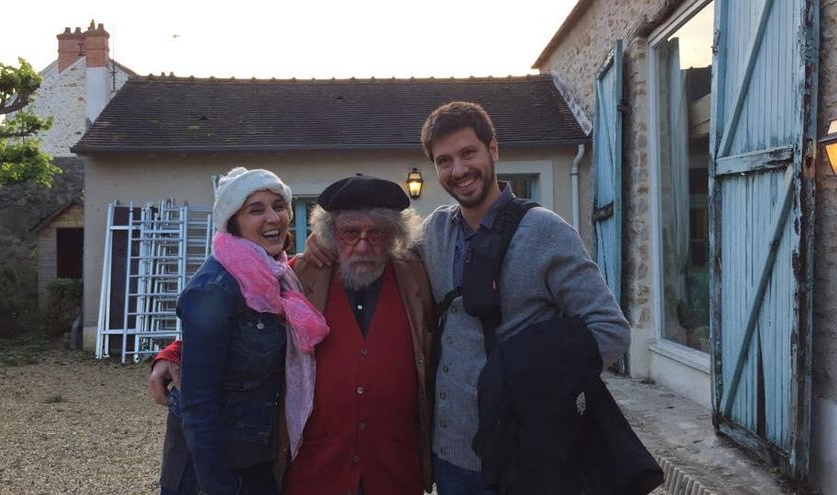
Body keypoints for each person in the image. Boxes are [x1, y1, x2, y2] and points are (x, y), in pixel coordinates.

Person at [304, 101, 631, 495]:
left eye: (468, 153)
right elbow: (376, 250)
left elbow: (610, 330)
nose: (458, 170)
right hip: (449, 458)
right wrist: (323, 240)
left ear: (493, 149)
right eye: (444, 161)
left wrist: (529, 381)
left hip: (523, 454)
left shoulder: (546, 232)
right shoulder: (435, 232)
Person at [150, 175, 435, 495]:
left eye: (378, 233)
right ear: (330, 233)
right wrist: (176, 352)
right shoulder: (297, 276)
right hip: (316, 470)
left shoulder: (418, 276)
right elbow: (237, 321)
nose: (363, 246)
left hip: (393, 470)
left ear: (396, 234)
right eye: (350, 232)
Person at [153, 167, 328, 495]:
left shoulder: (277, 276)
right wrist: (221, 487)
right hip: (211, 468)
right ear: (233, 223)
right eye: (256, 210)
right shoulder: (215, 289)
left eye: (279, 206)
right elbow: (198, 404)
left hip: (255, 453)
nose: (273, 217)